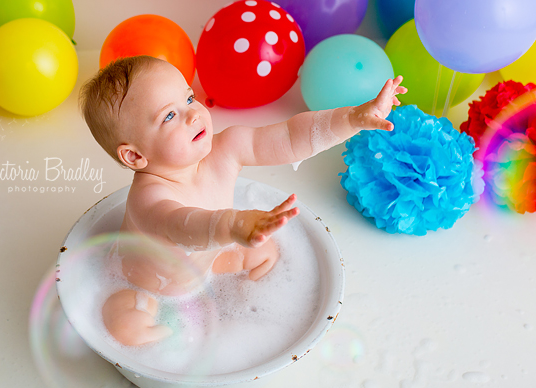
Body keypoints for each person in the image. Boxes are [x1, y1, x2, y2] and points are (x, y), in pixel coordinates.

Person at [80, 55, 406, 346]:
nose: (194, 115)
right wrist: (235, 223)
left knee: (266, 252)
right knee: (128, 326)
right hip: (145, 284)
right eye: (169, 116)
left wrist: (352, 119)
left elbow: (291, 136)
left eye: (189, 98)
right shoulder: (149, 197)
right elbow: (183, 225)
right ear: (135, 155)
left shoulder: (227, 147)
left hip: (206, 266)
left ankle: (238, 314)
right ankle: (156, 330)